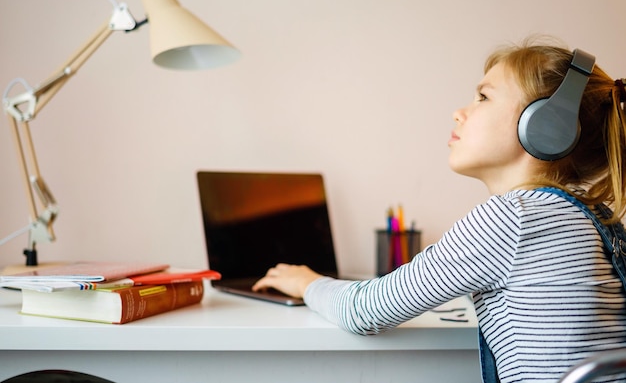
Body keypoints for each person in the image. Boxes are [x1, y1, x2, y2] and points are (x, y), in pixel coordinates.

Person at [252, 36, 626, 383]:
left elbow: (363, 311)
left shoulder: (513, 218)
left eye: (483, 97)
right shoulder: (599, 222)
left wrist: (307, 283)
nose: (458, 112)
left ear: (547, 125)